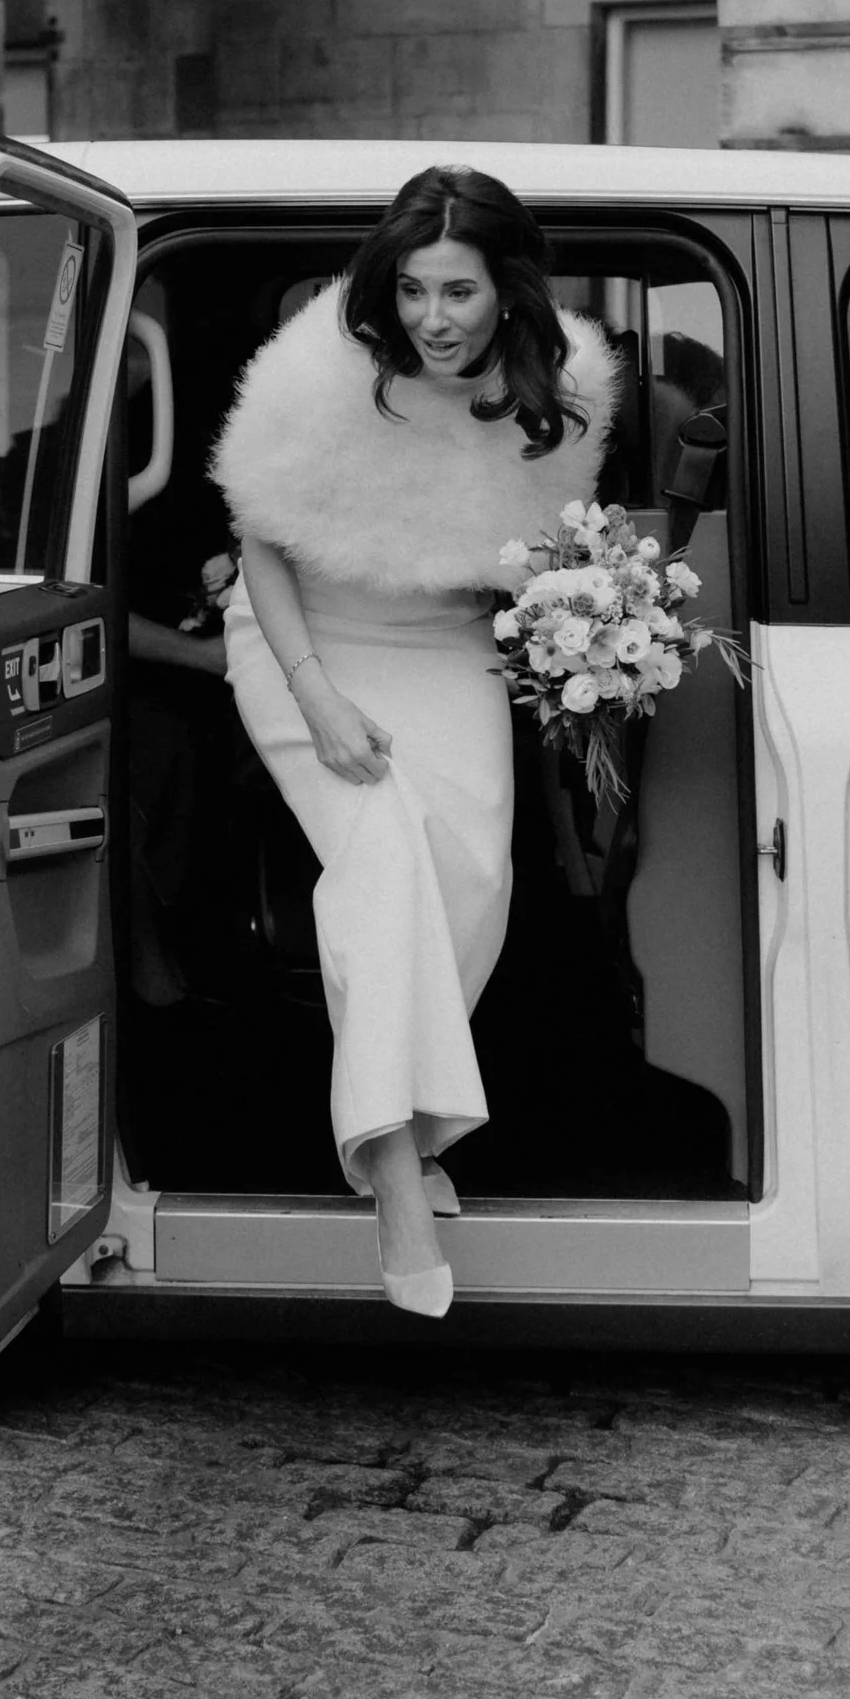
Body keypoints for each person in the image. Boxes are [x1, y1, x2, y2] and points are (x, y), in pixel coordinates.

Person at [210, 167, 612, 1313]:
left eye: (460, 294)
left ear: (508, 294)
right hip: (304, 639)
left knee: (468, 882)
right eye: (416, 291)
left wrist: (586, 618)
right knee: (381, 860)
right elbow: (263, 546)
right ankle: (390, 1170)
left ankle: (423, 1118)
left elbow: (532, 552)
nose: (433, 319)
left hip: (445, 645)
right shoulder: (320, 364)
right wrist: (316, 695)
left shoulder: (564, 389)